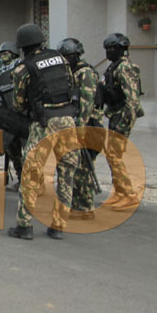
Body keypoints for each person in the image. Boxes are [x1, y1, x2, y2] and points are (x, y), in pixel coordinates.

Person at [7, 23, 79, 240]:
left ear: (22, 46)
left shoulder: (23, 68)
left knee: (31, 174)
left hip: (43, 122)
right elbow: (71, 85)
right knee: (66, 173)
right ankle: (58, 226)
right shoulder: (61, 58)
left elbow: (18, 104)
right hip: (67, 120)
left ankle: (25, 226)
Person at [57, 38, 104, 220]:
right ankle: (79, 203)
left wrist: (80, 130)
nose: (67, 59)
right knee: (77, 167)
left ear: (77, 55)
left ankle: (85, 206)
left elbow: (86, 103)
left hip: (88, 124)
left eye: (69, 55)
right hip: (76, 123)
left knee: (84, 167)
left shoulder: (86, 73)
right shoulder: (72, 72)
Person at [101, 33, 143, 211]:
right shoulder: (114, 67)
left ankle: (129, 194)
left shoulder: (125, 68)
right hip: (115, 113)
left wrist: (125, 121)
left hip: (122, 116)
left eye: (112, 49)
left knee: (114, 155)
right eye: (108, 49)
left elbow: (132, 100)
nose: (109, 52)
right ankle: (119, 192)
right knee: (112, 154)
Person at [0, 41, 24, 191]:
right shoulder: (2, 73)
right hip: (9, 116)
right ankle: (21, 178)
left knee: (28, 151)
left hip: (23, 115)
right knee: (13, 151)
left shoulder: (20, 68)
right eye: (1, 54)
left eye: (6, 53)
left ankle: (32, 182)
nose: (3, 56)